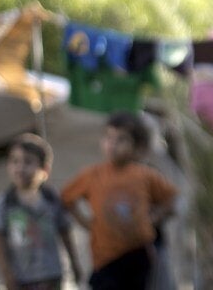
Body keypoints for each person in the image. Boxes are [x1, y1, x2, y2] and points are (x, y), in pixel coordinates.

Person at [61, 111, 178, 290]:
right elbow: (67, 198)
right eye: (109, 138)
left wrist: (154, 217)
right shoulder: (93, 175)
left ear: (137, 147)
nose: (113, 145)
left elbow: (170, 198)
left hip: (138, 253)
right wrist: (87, 224)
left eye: (121, 140)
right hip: (106, 256)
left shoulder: (144, 175)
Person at [0, 133, 81, 290]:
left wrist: (74, 264)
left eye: (28, 162)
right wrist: (7, 274)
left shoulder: (52, 199)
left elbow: (65, 232)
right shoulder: (5, 203)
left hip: (52, 276)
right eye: (15, 161)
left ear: (44, 169)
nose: (20, 168)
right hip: (22, 279)